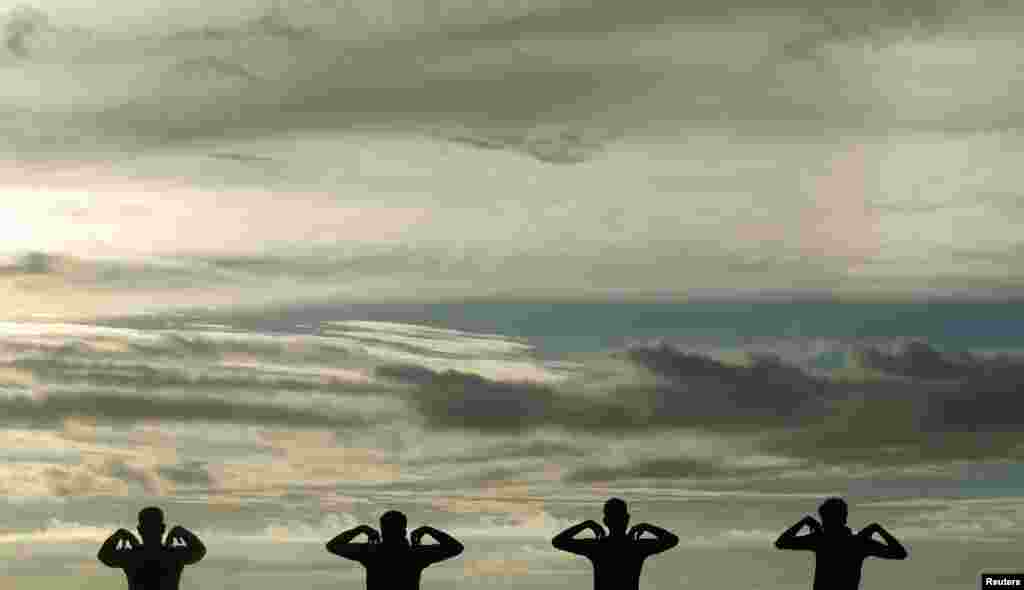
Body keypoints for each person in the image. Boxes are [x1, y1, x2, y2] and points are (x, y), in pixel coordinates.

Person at [775, 497, 908, 590]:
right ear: (844, 518)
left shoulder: (821, 540)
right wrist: (877, 529)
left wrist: (804, 521)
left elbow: (781, 543)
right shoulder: (858, 542)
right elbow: (900, 553)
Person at [552, 497, 678, 590]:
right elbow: (672, 540)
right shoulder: (636, 547)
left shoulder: (597, 547)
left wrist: (586, 525)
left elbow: (558, 541)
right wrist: (648, 527)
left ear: (605, 521)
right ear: (627, 518)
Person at [326, 510, 463, 590]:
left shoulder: (371, 553)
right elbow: (456, 547)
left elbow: (333, 546)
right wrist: (428, 530)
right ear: (404, 531)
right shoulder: (415, 554)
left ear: (382, 531)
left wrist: (360, 530)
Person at [97, 506, 206, 590]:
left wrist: (118, 535)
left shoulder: (131, 556)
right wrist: (182, 532)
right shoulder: (173, 555)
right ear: (163, 528)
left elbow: (103, 556)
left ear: (139, 530)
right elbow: (200, 550)